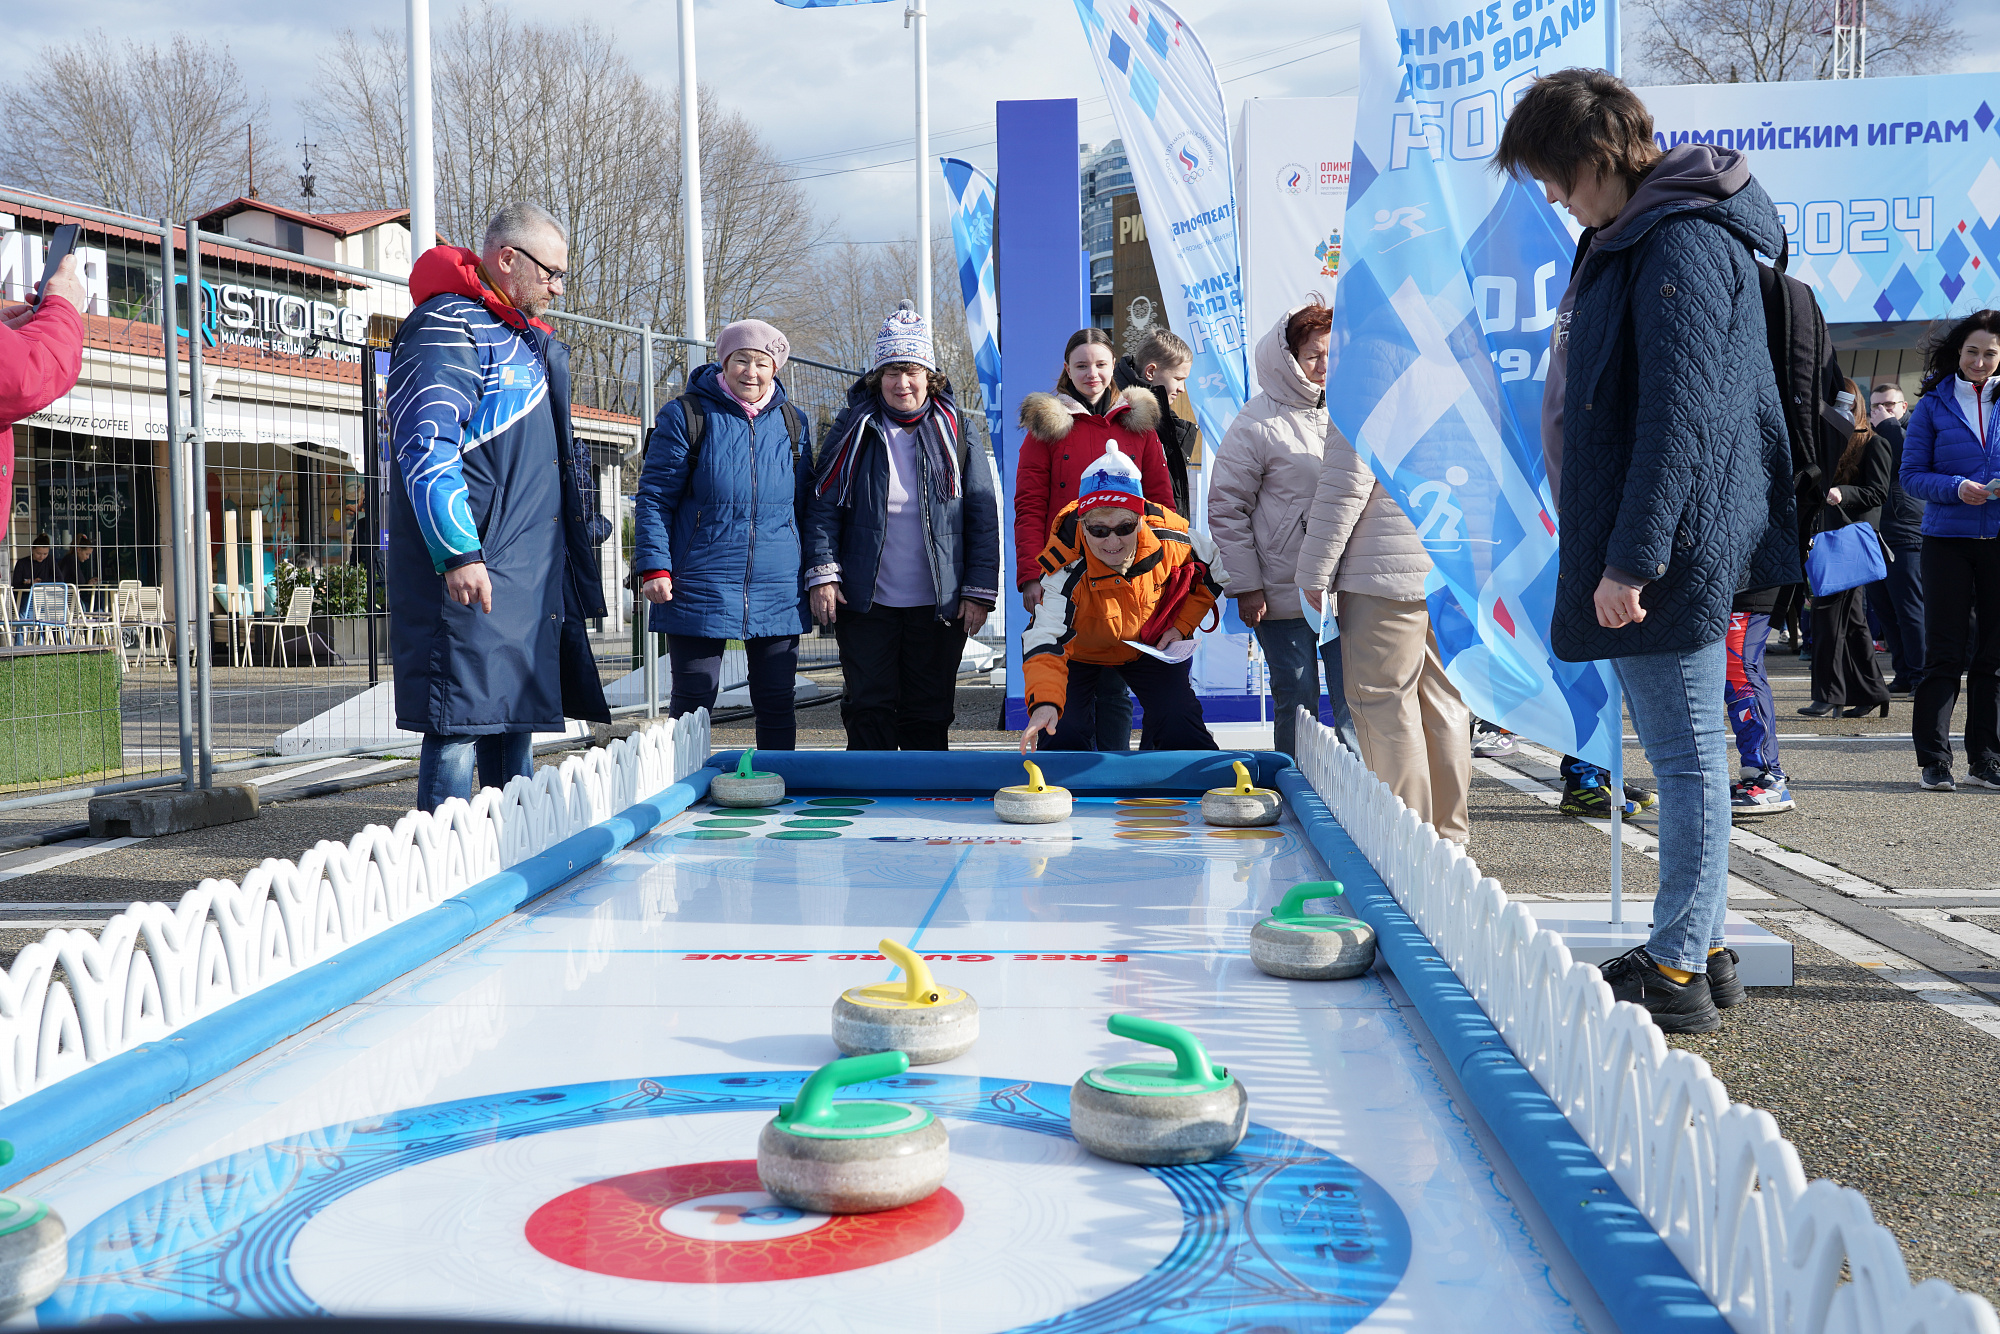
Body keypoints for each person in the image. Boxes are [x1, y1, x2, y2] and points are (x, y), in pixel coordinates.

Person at [1495, 69, 1797, 1033]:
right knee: (1686, 753)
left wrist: (1632, 559)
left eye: (1553, 173)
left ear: (1596, 155)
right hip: (1649, 533)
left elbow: (1682, 419)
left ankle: (1674, 967)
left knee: (1688, 755)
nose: (1549, 194)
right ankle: (1699, 946)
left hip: (1667, 544)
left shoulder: (1683, 239)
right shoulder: (1633, 234)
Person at [386, 202, 611, 813]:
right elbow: (424, 446)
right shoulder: (446, 325)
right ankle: (441, 876)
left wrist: (583, 528)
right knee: (460, 726)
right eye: (552, 272)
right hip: (474, 573)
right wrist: (458, 549)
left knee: (514, 726)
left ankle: (507, 867)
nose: (558, 288)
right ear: (506, 258)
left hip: (526, 578)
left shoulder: (523, 339)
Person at [805, 301, 1001, 750]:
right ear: (878, 378)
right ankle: (868, 810)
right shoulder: (853, 427)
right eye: (891, 372)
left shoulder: (958, 431)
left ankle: (922, 810)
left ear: (929, 376)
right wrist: (823, 576)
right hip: (866, 601)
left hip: (940, 604)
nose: (902, 383)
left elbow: (981, 517)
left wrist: (977, 590)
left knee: (928, 712)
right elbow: (822, 507)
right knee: (868, 709)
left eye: (912, 370)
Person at [633, 318, 813, 752]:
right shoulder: (686, 415)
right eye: (741, 360)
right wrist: (654, 566)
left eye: (762, 362)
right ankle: (681, 787)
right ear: (724, 362)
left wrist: (815, 571)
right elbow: (654, 497)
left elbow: (807, 505)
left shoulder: (794, 423)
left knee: (775, 699)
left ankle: (777, 784)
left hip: (777, 584)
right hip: (701, 580)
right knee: (694, 698)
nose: (751, 372)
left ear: (776, 368)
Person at [1296, 421, 1470, 843]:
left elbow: (1344, 487)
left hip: (1384, 570)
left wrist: (1314, 571)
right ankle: (1451, 838)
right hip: (1457, 565)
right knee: (1446, 701)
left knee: (1385, 704)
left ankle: (1406, 841)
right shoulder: (1466, 364)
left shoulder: (1367, 372)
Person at [1014, 328, 1176, 752]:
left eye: (1101, 364)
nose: (1093, 373)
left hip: (1130, 578)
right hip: (1065, 580)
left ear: (1113, 368)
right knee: (1070, 688)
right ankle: (1068, 780)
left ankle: (1116, 778)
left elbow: (1161, 508)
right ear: (1067, 369)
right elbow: (1029, 507)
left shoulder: (1140, 427)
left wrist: (1166, 573)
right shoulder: (1044, 429)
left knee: (1117, 691)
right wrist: (1032, 575)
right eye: (1082, 365)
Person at [1208, 300, 1357, 759]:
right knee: (1297, 696)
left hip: (1345, 585)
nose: (1325, 365)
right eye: (1314, 355)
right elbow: (1226, 508)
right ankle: (1295, 786)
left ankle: (1365, 804)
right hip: (1281, 587)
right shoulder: (1256, 422)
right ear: (1288, 358)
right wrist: (1247, 587)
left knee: (1356, 699)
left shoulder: (1353, 410)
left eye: (1333, 353)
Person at [1019, 442, 1224, 752]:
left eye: (1125, 527)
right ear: (1083, 526)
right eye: (1099, 530)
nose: (1112, 541)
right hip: (1079, 652)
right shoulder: (1065, 564)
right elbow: (1045, 639)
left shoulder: (1173, 540)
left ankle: (1193, 792)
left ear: (1141, 519)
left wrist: (1180, 626)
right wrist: (1045, 703)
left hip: (1146, 647)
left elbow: (1215, 574)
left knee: (1180, 722)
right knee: (1062, 729)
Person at [1898, 309, 2000, 792]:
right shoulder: (1934, 405)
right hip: (1946, 542)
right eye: (1973, 351)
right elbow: (1911, 475)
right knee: (1944, 653)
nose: (1980, 361)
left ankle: (1986, 758)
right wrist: (1957, 486)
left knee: (1993, 656)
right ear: (1958, 353)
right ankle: (1934, 760)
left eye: (1990, 353)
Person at [1798, 381, 1891, 720]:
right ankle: (1873, 691)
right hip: (1831, 543)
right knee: (1850, 624)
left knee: (1827, 619)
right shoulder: (1829, 445)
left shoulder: (1874, 443)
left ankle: (1829, 696)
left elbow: (1877, 493)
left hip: (1849, 544)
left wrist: (1842, 492)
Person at [1866, 380, 1925, 695]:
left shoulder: (1908, 432)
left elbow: (1907, 458)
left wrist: (1887, 424)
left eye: (1889, 405)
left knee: (1910, 611)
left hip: (1905, 535)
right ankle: (1904, 672)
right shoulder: (1872, 436)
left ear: (1903, 408)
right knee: (1886, 611)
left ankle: (1921, 675)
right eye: (1876, 406)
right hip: (1876, 535)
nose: (1882, 411)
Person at [1113, 328, 1196, 517]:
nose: (1182, 389)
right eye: (1178, 379)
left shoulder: (1163, 420)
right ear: (1150, 371)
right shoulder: (1119, 414)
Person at [1725, 587, 1793, 814]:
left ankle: (1766, 774)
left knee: (1739, 668)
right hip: (1725, 579)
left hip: (1753, 581)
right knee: (1737, 666)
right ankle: (1757, 772)